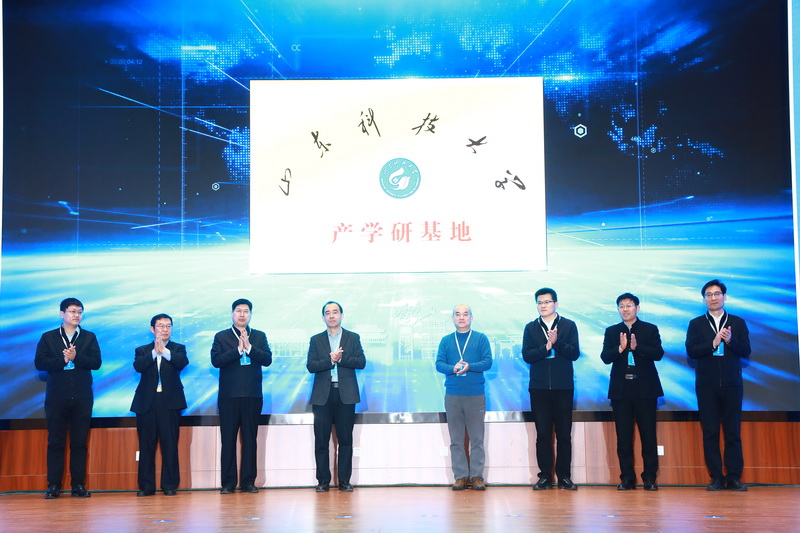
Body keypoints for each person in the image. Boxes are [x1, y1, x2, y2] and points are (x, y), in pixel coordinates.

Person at [685, 279, 751, 491]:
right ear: (704, 299)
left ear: (724, 297)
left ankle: (733, 477)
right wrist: (712, 343)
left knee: (733, 432)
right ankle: (716, 477)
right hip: (707, 385)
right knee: (710, 432)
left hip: (732, 384)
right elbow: (692, 351)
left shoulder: (737, 323)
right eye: (709, 295)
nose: (713, 298)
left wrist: (730, 340)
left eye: (717, 294)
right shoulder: (696, 324)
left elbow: (746, 351)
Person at [34, 297, 102, 499]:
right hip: (57, 397)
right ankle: (54, 485)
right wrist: (63, 360)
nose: (76, 315)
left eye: (80, 312)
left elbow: (96, 362)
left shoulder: (89, 337)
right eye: (72, 311)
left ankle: (78, 485)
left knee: (79, 443)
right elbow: (40, 363)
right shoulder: (48, 337)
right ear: (62, 314)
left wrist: (76, 357)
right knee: (56, 442)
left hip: (82, 397)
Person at [600, 293, 664, 491]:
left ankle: (649, 478)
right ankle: (627, 478)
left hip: (645, 389)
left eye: (629, 305)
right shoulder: (612, 331)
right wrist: (620, 349)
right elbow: (605, 357)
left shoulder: (650, 329)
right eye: (621, 306)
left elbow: (658, 354)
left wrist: (638, 348)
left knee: (648, 436)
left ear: (637, 308)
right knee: (624, 438)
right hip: (621, 390)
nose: (625, 309)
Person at [210, 298, 272, 494]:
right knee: (228, 440)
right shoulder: (221, 336)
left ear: (250, 314)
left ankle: (248, 482)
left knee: (250, 440)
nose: (242, 314)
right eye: (238, 311)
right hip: (228, 397)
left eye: (246, 311)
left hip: (252, 396)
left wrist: (250, 348)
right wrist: (238, 350)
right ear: (232, 314)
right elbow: (216, 361)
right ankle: (228, 483)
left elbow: (267, 359)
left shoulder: (259, 336)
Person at [521, 288, 580, 490]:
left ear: (556, 304)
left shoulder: (568, 325)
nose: (543, 306)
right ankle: (545, 476)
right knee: (543, 434)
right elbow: (527, 356)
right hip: (539, 388)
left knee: (564, 434)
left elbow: (574, 353)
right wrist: (545, 348)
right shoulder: (531, 328)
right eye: (540, 302)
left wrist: (557, 343)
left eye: (547, 302)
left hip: (563, 387)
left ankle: (564, 477)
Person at [307, 301, 366, 492]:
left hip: (345, 395)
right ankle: (323, 481)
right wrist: (329, 360)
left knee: (346, 440)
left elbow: (361, 362)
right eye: (327, 313)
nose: (331, 316)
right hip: (322, 396)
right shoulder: (316, 340)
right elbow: (311, 366)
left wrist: (341, 359)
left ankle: (344, 481)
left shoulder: (352, 337)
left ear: (341, 315)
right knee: (321, 441)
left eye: (335, 312)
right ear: (323, 317)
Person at [435, 304, 493, 491]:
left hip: (475, 394)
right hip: (453, 394)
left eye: (465, 314)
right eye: (457, 314)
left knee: (477, 439)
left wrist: (470, 366)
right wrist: (452, 368)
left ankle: (476, 476)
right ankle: (460, 476)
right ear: (452, 318)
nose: (461, 317)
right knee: (456, 439)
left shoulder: (480, 338)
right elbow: (439, 364)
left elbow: (488, 362)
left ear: (471, 317)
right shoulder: (446, 340)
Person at [130, 313, 189, 497]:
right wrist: (155, 352)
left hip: (169, 403)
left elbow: (182, 362)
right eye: (161, 326)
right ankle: (146, 486)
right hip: (147, 403)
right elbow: (138, 366)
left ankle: (170, 485)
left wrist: (165, 352)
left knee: (169, 445)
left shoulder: (178, 348)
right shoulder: (142, 350)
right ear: (152, 329)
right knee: (146, 446)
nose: (165, 329)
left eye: (168, 326)